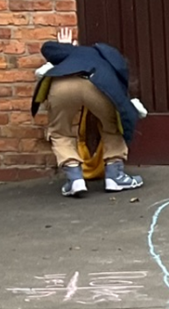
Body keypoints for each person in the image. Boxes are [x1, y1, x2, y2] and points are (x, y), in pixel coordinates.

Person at [32, 28, 145, 196]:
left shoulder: (69, 53)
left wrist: (65, 47)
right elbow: (122, 85)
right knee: (113, 127)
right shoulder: (108, 56)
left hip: (62, 83)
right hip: (98, 81)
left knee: (60, 131)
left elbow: (47, 48)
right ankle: (115, 177)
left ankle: (75, 179)